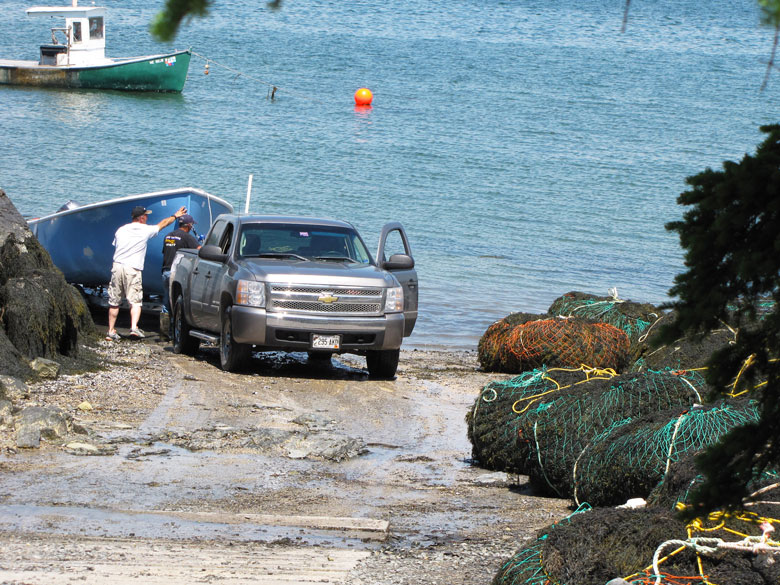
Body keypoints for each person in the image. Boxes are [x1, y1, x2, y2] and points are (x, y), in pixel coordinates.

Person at [105, 204, 187, 341]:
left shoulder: (121, 230)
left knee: (114, 301)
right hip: (133, 268)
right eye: (146, 215)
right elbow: (162, 224)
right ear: (142, 218)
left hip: (117, 266)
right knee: (135, 301)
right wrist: (175, 216)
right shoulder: (145, 229)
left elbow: (116, 245)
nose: (148, 217)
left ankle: (111, 331)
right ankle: (134, 328)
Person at [159, 213, 201, 338]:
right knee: (178, 304)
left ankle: (164, 334)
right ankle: (177, 333)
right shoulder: (187, 237)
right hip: (176, 273)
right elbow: (200, 250)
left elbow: (164, 252)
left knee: (166, 302)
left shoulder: (168, 236)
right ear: (189, 225)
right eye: (192, 225)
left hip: (165, 271)